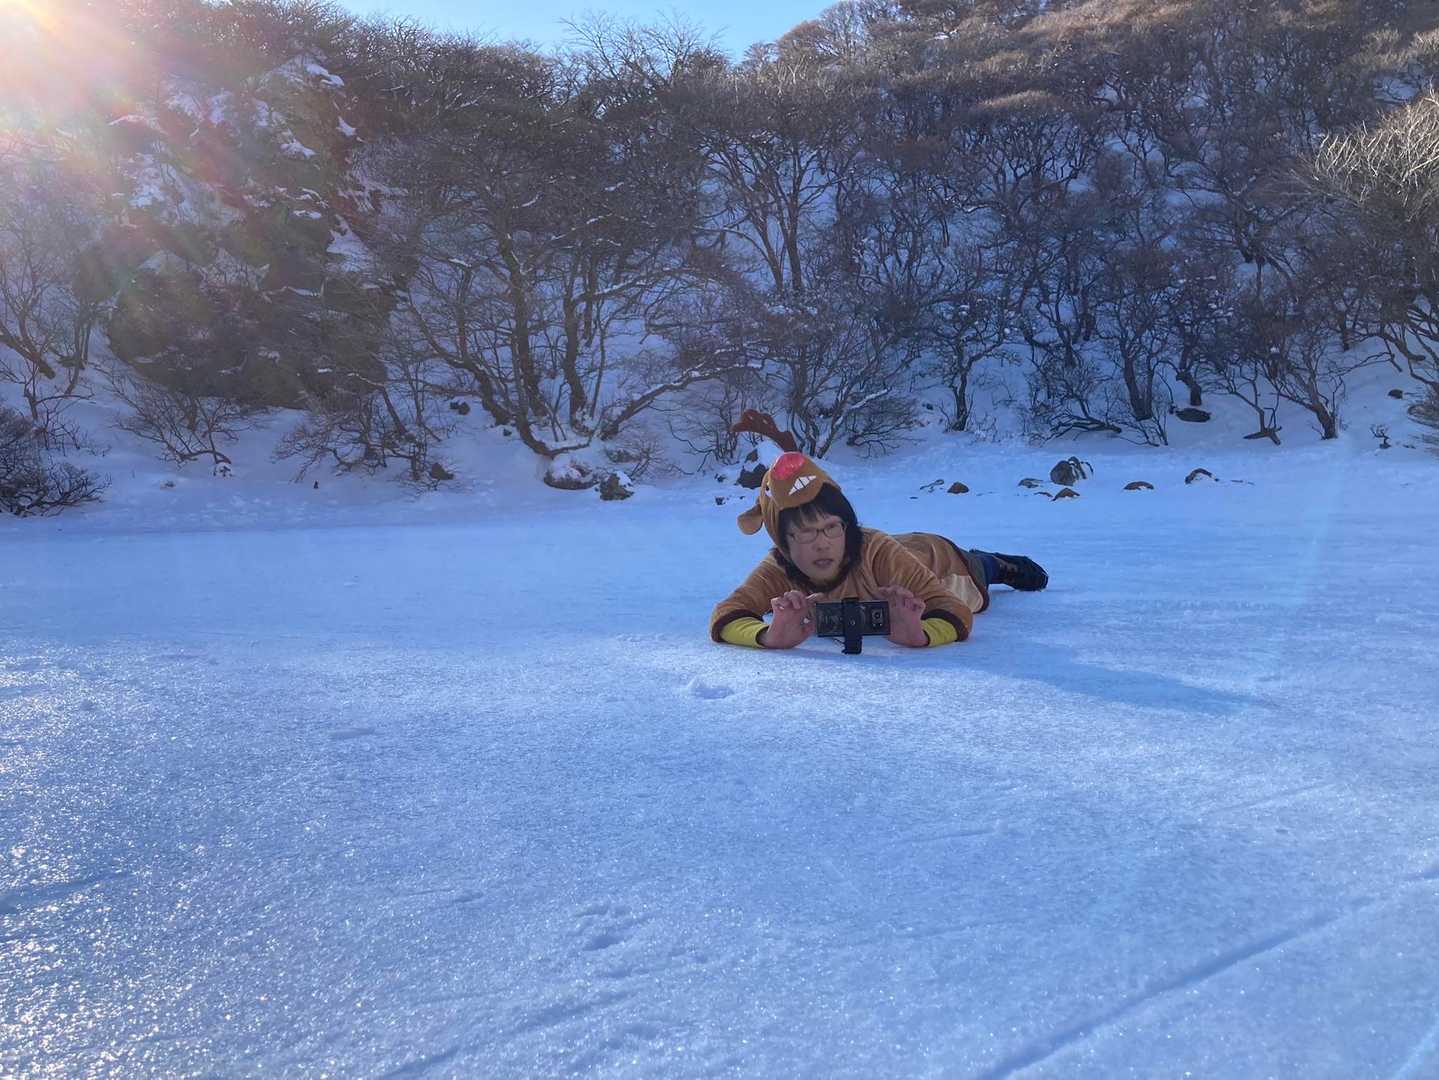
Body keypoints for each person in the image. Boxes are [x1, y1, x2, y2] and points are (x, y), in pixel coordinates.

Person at [710, 451, 1047, 649]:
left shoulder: (877, 551)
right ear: (783, 544)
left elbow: (954, 609)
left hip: (942, 562)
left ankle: (995, 564)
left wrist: (921, 634)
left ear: (847, 525)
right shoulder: (779, 568)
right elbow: (727, 614)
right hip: (899, 549)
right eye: (805, 532)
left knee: (975, 575)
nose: (822, 542)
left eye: (832, 527)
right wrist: (766, 636)